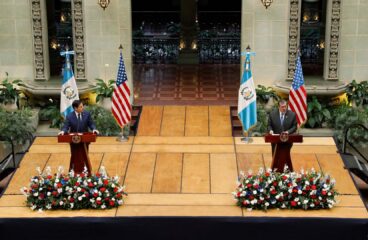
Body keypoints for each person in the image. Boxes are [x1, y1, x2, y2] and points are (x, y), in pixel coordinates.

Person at [267, 99, 297, 171]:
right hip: (275, 142)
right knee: (276, 157)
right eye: (282, 107)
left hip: (287, 141)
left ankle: (286, 172)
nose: (284, 108)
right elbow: (269, 125)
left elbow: (294, 126)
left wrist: (288, 132)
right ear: (279, 107)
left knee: (285, 156)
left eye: (285, 106)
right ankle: (275, 171)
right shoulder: (272, 114)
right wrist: (270, 130)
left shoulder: (292, 115)